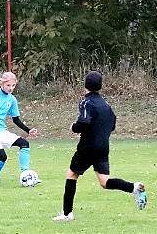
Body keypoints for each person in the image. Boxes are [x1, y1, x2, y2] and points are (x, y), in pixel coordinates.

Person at [52, 71, 147, 221]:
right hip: (103, 147)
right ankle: (134, 187)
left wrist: (74, 127)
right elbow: (113, 124)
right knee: (104, 182)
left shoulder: (86, 102)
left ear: (85, 85)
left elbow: (84, 122)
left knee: (71, 175)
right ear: (100, 86)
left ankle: (66, 214)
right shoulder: (106, 105)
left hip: (88, 147)